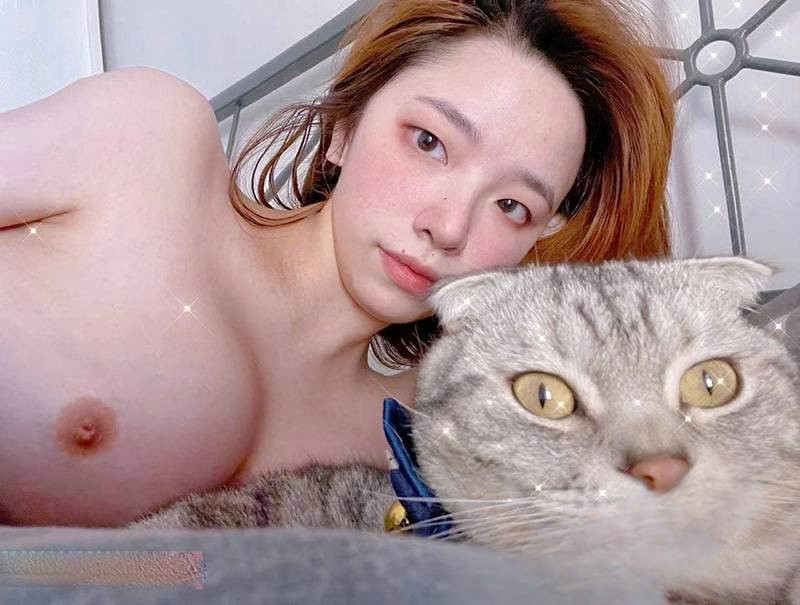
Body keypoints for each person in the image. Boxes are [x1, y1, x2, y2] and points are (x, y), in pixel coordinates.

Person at [0, 0, 673, 527]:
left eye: (512, 206)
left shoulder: (410, 444)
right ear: (346, 125)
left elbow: (148, 571)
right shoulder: (149, 149)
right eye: (429, 141)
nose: (447, 227)